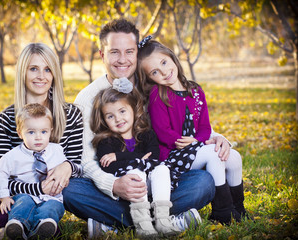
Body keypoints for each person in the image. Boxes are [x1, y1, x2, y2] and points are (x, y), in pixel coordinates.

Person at [65, 18, 230, 237]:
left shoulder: (156, 85)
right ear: (102, 55)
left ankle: (115, 224)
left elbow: (186, 122)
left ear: (137, 53)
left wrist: (215, 136)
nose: (122, 59)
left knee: (203, 182)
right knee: (72, 190)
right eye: (114, 52)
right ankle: (167, 219)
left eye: (129, 51)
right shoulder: (87, 98)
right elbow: (85, 161)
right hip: (114, 182)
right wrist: (114, 185)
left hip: (159, 180)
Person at [137, 37, 247, 224]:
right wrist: (185, 141)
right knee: (214, 155)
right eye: (155, 72)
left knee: (234, 158)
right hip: (173, 154)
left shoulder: (196, 91)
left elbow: (204, 127)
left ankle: (239, 208)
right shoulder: (159, 94)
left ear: (172, 57)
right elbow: (162, 131)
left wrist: (198, 141)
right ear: (150, 78)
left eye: (164, 62)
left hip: (195, 147)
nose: (164, 72)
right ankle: (222, 212)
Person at [0, 43, 84, 237]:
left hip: (57, 190)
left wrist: (67, 167)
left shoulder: (71, 114)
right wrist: (36, 188)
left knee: (74, 191)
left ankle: (4, 233)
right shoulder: (5, 119)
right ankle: (19, 229)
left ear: (54, 74)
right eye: (33, 69)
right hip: (21, 191)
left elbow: (79, 166)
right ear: (23, 73)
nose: (41, 76)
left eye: (47, 69)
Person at [91, 80, 200, 236]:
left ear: (133, 110)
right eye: (110, 116)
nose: (118, 119)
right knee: (137, 172)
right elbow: (108, 167)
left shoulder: (147, 134)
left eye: (122, 111)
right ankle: (143, 224)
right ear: (104, 119)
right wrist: (140, 160)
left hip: (155, 185)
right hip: (128, 191)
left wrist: (119, 156)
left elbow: (154, 159)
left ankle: (163, 220)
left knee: (162, 168)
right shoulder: (106, 141)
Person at [0, 103, 66, 239]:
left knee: (52, 207)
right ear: (20, 133)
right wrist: (4, 197)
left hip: (51, 196)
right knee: (22, 204)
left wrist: (65, 175)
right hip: (25, 194)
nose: (38, 137)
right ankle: (17, 225)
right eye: (31, 132)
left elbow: (71, 169)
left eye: (43, 132)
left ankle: (43, 226)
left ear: (51, 131)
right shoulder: (12, 156)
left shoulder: (57, 151)